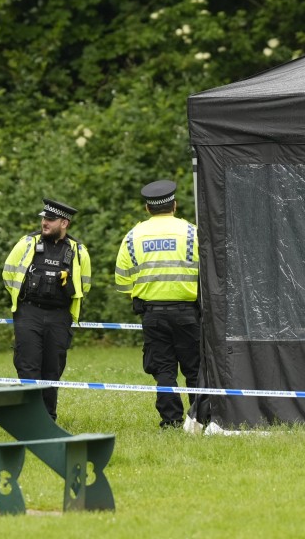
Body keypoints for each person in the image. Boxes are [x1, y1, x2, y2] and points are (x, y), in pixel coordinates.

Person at [115, 180, 204, 429]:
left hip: (152, 314)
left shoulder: (133, 236)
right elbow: (209, 272)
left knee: (163, 369)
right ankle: (198, 418)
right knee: (195, 368)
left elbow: (122, 281)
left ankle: (171, 420)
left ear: (147, 208)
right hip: (188, 313)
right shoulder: (191, 232)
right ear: (174, 205)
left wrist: (143, 291)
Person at [2, 198, 91, 421]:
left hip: (59, 317)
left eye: (50, 220)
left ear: (64, 223)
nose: (45, 223)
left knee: (52, 370)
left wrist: (67, 283)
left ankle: (48, 419)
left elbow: (85, 285)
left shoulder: (78, 251)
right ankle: (28, 417)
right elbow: (8, 274)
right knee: (28, 366)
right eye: (44, 218)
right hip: (28, 313)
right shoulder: (27, 243)